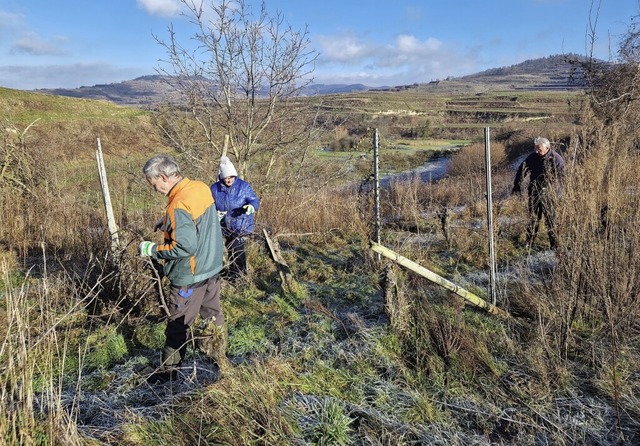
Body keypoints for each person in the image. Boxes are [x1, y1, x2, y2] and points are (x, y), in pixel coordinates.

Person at [139, 155, 230, 384]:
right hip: (211, 266)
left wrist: (153, 250)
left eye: (154, 184)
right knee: (213, 315)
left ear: (163, 177)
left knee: (178, 324)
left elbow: (185, 246)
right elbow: (199, 223)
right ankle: (218, 358)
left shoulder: (178, 204)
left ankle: (168, 374)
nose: (155, 189)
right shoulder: (199, 188)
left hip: (190, 275)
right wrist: (169, 223)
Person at [210, 156, 260, 282]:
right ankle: (229, 273)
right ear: (221, 177)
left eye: (231, 177)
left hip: (241, 225)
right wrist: (214, 213)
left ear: (234, 176)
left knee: (237, 250)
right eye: (226, 178)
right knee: (226, 249)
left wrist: (251, 206)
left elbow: (254, 199)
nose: (228, 180)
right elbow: (208, 204)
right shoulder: (215, 188)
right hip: (223, 226)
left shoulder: (243, 186)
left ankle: (239, 278)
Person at [511, 137, 565, 249]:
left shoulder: (556, 159)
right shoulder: (532, 157)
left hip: (550, 193)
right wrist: (517, 184)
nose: (536, 151)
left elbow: (563, 178)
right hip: (534, 191)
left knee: (551, 220)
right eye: (535, 148)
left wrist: (560, 193)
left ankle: (555, 245)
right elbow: (522, 169)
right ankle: (529, 243)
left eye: (539, 149)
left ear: (547, 148)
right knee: (533, 218)